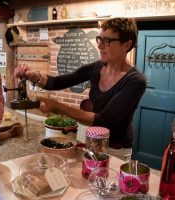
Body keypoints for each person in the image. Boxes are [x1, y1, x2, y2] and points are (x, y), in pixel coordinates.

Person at [15, 17, 147, 161]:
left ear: (126, 44)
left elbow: (103, 120)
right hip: (93, 140)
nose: (100, 46)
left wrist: (58, 107)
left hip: (116, 149)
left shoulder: (135, 81)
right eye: (99, 39)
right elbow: (57, 82)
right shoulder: (97, 68)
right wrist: (33, 76)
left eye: (107, 41)